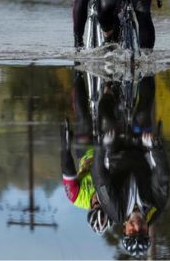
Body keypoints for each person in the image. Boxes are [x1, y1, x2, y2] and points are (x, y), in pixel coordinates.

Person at [91, 76, 169, 257]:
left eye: (133, 231)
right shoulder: (156, 206)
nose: (137, 226)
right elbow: (162, 175)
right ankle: (147, 65)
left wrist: (102, 147)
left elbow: (99, 176)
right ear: (147, 230)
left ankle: (108, 89)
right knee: (142, 113)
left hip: (116, 152)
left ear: (125, 229)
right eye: (142, 232)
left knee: (107, 121)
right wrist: (155, 148)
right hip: (141, 149)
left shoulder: (114, 210)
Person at [60, 71, 112, 234]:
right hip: (107, 152)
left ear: (90, 207)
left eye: (95, 204)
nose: (98, 201)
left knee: (82, 117)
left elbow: (68, 169)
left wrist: (65, 144)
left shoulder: (76, 198)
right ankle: (112, 87)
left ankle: (77, 74)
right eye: (102, 204)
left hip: (87, 152)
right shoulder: (113, 198)